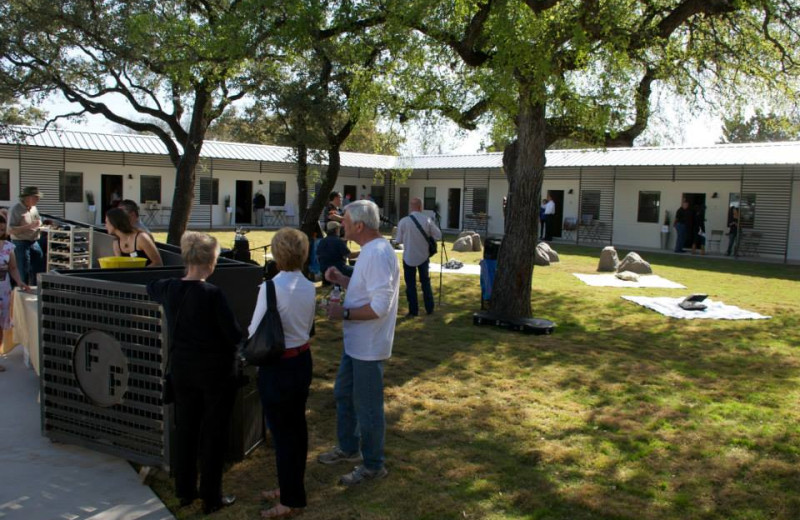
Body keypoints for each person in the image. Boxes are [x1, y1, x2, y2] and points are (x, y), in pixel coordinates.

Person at [147, 232, 241, 514]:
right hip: (214, 374)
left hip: (182, 370)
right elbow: (233, 334)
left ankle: (184, 490)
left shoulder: (169, 288)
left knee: (186, 429)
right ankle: (211, 497)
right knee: (213, 434)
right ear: (211, 261)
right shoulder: (213, 294)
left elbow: (152, 286)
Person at [318, 200, 399, 486]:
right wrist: (341, 277)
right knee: (343, 393)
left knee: (368, 406)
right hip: (356, 343)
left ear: (360, 226)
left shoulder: (377, 254)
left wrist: (345, 313)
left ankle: (373, 465)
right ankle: (349, 448)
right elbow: (365, 289)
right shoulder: (369, 251)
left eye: (346, 222)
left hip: (369, 345)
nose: (342, 225)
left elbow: (380, 307)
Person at [248, 228, 316, 519]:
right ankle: (289, 486)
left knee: (284, 434)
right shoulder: (309, 286)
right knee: (295, 430)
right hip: (302, 361)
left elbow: (254, 331)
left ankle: (291, 499)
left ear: (277, 256)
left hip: (278, 366)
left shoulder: (270, 288)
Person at [395, 197, 441, 317]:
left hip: (408, 256)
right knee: (425, 282)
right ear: (421, 207)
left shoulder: (403, 221)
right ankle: (429, 308)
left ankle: (413, 311)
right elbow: (438, 235)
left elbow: (398, 240)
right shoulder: (427, 220)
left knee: (410, 285)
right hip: (423, 256)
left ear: (411, 207)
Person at [0, 215, 31, 373]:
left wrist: (20, 282)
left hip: (3, 290)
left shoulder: (8, 247)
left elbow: (13, 268)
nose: (0, 231)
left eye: (2, 228)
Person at [8, 186, 45, 286]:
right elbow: (10, 230)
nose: (38, 200)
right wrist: (29, 226)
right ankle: (20, 294)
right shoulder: (16, 209)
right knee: (23, 271)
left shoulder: (34, 208)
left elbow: (38, 220)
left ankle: (35, 290)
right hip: (20, 243)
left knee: (39, 268)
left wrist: (40, 224)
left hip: (34, 241)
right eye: (36, 197)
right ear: (28, 197)